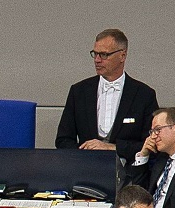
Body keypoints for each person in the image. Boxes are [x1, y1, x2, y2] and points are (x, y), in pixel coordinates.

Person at [55, 29, 159, 161]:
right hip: (85, 170)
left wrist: (113, 147)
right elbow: (63, 140)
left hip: (129, 173)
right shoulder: (79, 91)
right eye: (95, 54)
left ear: (122, 56)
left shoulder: (144, 95)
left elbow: (151, 144)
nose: (97, 60)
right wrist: (85, 154)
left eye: (104, 54)